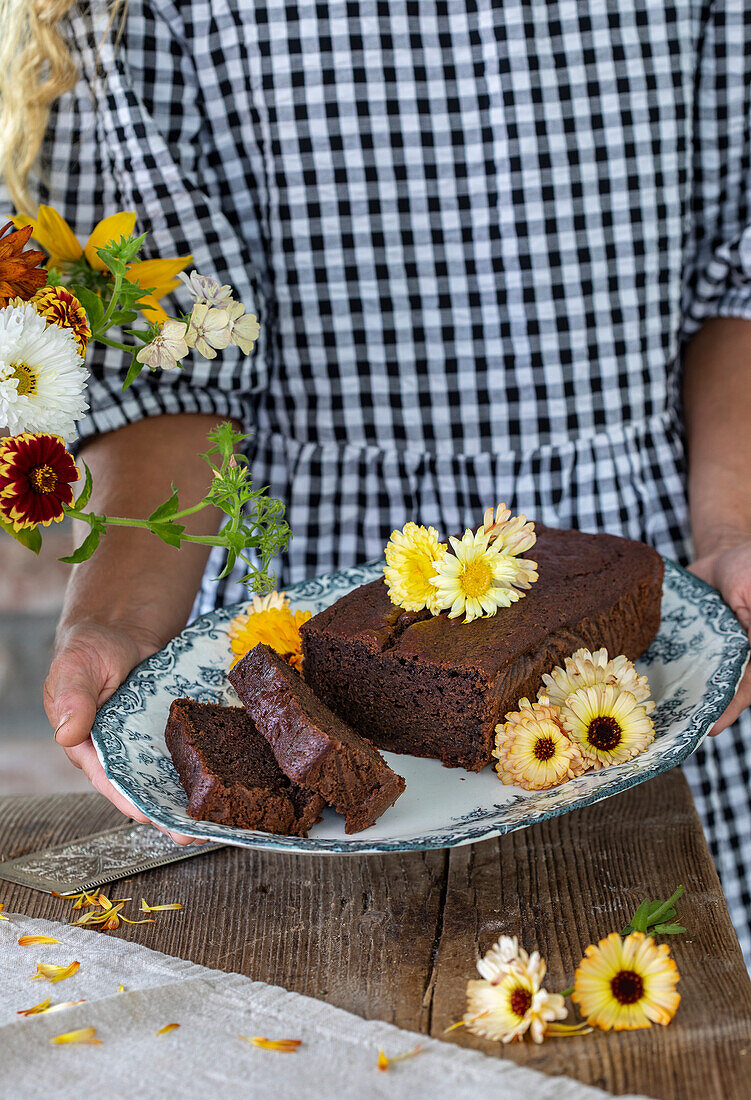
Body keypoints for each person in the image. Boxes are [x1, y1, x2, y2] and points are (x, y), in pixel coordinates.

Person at [2, 0, 750, 957]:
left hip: (648, 604)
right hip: (298, 589)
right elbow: (166, 358)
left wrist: (729, 531)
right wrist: (114, 616)